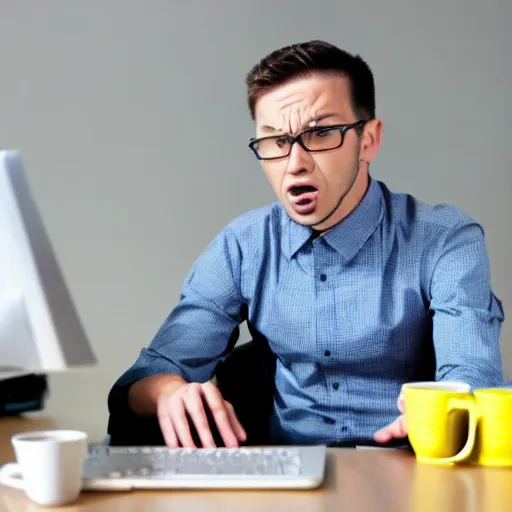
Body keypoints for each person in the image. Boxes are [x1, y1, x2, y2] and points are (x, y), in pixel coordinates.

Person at [108, 40, 505, 449]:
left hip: (413, 471)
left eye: (319, 133)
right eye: (276, 141)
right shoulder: (244, 245)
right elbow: (145, 377)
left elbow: (472, 374)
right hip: (288, 479)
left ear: (368, 140)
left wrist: (443, 408)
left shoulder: (444, 238)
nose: (295, 162)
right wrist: (168, 392)